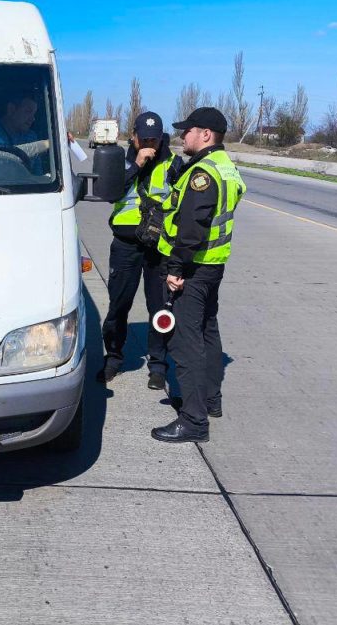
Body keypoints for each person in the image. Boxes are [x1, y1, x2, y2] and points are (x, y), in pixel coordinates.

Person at [151, 107, 246, 444]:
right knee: (208, 332)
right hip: (212, 265)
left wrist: (176, 269)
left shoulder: (203, 173)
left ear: (206, 134)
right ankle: (210, 400)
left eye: (188, 131)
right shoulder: (226, 167)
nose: (182, 137)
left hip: (191, 268)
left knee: (185, 343)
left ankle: (193, 420)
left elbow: (192, 226)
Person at [98, 111, 181, 385]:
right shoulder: (118, 161)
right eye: (143, 139)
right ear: (133, 137)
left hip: (158, 247)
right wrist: (135, 165)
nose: (149, 144)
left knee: (159, 308)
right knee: (119, 304)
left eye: (154, 140)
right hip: (125, 245)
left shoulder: (174, 164)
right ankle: (113, 358)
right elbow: (110, 193)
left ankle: (158, 366)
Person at [0, 96, 50, 171]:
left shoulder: (31, 136)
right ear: (11, 109)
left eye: (34, 114)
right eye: (28, 111)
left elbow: (36, 173)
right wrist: (45, 145)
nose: (33, 119)